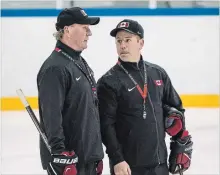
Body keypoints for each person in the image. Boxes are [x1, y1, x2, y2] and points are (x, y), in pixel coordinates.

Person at [97, 19, 193, 175]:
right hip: (127, 167)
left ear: (140, 43)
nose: (122, 45)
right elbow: (106, 126)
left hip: (160, 164)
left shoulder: (158, 73)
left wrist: (179, 145)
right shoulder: (108, 82)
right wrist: (117, 159)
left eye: (128, 40)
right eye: (119, 41)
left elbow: (177, 111)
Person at [37, 7, 104, 175]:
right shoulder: (55, 68)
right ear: (67, 30)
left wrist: (95, 155)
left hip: (87, 158)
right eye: (84, 27)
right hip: (70, 163)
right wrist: (59, 155)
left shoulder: (78, 61)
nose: (89, 33)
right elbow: (51, 117)